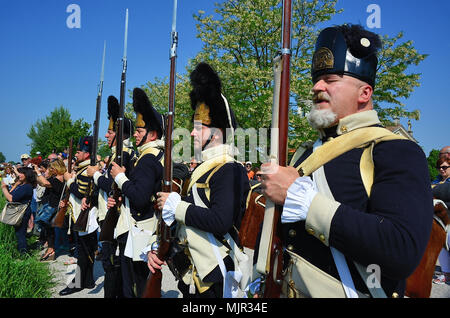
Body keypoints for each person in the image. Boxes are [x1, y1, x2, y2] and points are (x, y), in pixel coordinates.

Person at [259, 24, 433, 298]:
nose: (317, 87)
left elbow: (402, 249)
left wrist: (307, 203)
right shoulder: (306, 153)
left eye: (331, 79)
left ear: (364, 93)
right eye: (317, 78)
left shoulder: (395, 151)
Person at [149, 62, 250, 298]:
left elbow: (220, 220)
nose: (192, 133)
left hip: (218, 272)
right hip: (196, 270)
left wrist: (178, 206)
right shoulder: (206, 168)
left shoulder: (229, 168)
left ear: (217, 133)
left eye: (198, 128)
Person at [107, 87, 165, 298]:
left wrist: (120, 178)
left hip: (140, 229)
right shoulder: (153, 156)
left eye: (141, 131)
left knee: (134, 286)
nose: (136, 134)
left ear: (154, 134)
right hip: (142, 227)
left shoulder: (148, 159)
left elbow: (140, 198)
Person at [86, 95, 136, 298]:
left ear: (119, 134)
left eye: (109, 132)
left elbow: (116, 185)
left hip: (118, 219)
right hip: (109, 216)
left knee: (113, 264)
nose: (106, 136)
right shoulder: (118, 155)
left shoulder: (125, 155)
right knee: (111, 264)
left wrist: (96, 175)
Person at [59, 136, 98, 296]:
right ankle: (88, 280)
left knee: (83, 250)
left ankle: (78, 283)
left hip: (85, 215)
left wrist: (68, 181)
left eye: (80, 151)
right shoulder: (84, 167)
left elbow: (81, 191)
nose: (77, 153)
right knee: (87, 249)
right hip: (84, 214)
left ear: (87, 154)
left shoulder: (86, 169)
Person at [34, 159, 66, 261]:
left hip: (52, 206)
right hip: (50, 204)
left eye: (52, 168)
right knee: (49, 229)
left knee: (49, 229)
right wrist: (36, 174)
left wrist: (38, 172)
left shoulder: (59, 179)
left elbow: (45, 183)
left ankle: (52, 249)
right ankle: (51, 249)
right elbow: (42, 182)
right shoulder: (56, 178)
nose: (50, 170)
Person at [1, 167, 36, 254]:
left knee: (21, 233)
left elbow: (11, 198)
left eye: (21, 173)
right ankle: (22, 250)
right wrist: (16, 184)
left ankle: (23, 253)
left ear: (27, 175)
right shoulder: (22, 185)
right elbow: (11, 193)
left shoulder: (26, 187)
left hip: (22, 212)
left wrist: (3, 188)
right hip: (20, 211)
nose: (18, 175)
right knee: (19, 233)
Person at [431, 157, 450, 285]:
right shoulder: (436, 180)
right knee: (442, 248)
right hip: (438, 220)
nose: (441, 170)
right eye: (439, 167)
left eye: (444, 167)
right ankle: (446, 275)